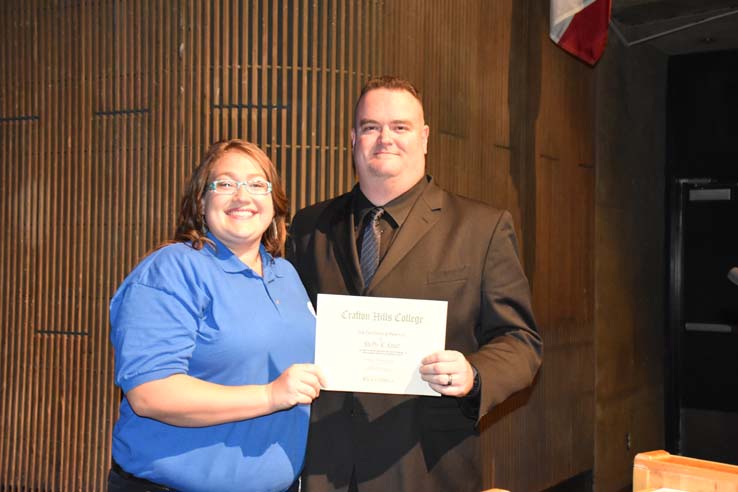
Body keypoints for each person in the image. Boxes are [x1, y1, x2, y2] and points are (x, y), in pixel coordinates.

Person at [287, 76, 543, 491]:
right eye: (370, 127)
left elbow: (520, 340)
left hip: (426, 466)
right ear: (353, 138)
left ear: (424, 138)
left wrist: (474, 374)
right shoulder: (309, 226)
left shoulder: (482, 228)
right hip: (324, 464)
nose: (384, 138)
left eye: (400, 127)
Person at [108, 139, 325, 492]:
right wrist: (270, 396)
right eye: (225, 184)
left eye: (257, 184)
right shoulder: (172, 270)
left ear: (274, 203)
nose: (242, 196)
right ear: (202, 200)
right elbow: (149, 393)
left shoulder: (287, 275)